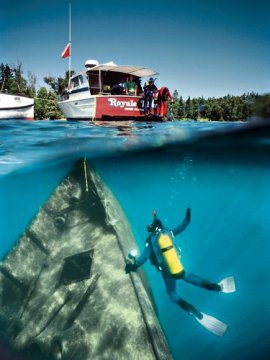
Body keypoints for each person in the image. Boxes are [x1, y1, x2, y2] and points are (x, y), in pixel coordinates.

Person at [125, 209, 236, 336]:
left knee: (172, 293)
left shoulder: (150, 241)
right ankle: (216, 287)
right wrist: (187, 219)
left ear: (150, 230)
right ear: (160, 227)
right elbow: (182, 227)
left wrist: (133, 266)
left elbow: (144, 257)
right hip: (178, 267)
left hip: (167, 273)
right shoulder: (168, 233)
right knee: (191, 278)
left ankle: (192, 310)